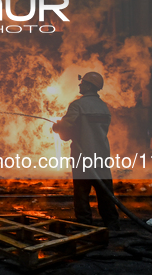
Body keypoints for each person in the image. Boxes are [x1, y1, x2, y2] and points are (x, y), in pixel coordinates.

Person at [52, 72, 120, 231]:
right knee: (105, 193)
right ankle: (112, 224)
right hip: (101, 156)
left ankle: (84, 225)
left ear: (89, 86)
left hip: (83, 157)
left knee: (81, 194)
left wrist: (57, 128)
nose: (80, 85)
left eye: (82, 83)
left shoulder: (77, 105)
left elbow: (67, 130)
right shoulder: (103, 107)